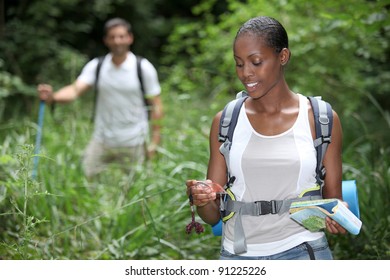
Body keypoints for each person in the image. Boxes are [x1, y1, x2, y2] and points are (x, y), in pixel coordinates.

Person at [186, 16, 346, 260]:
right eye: (239, 64)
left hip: (304, 250)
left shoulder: (321, 119)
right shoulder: (227, 121)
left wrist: (338, 216)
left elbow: (334, 201)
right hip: (237, 255)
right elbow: (212, 216)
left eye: (256, 62)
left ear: (283, 56)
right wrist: (202, 197)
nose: (246, 73)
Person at [37, 18, 163, 179]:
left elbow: (157, 106)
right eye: (112, 37)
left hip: (134, 141)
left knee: (137, 190)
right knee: (83, 179)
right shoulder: (97, 66)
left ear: (130, 38)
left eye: (122, 36)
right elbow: (74, 91)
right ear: (106, 40)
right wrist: (52, 97)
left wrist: (155, 142)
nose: (117, 41)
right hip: (102, 139)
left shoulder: (143, 67)